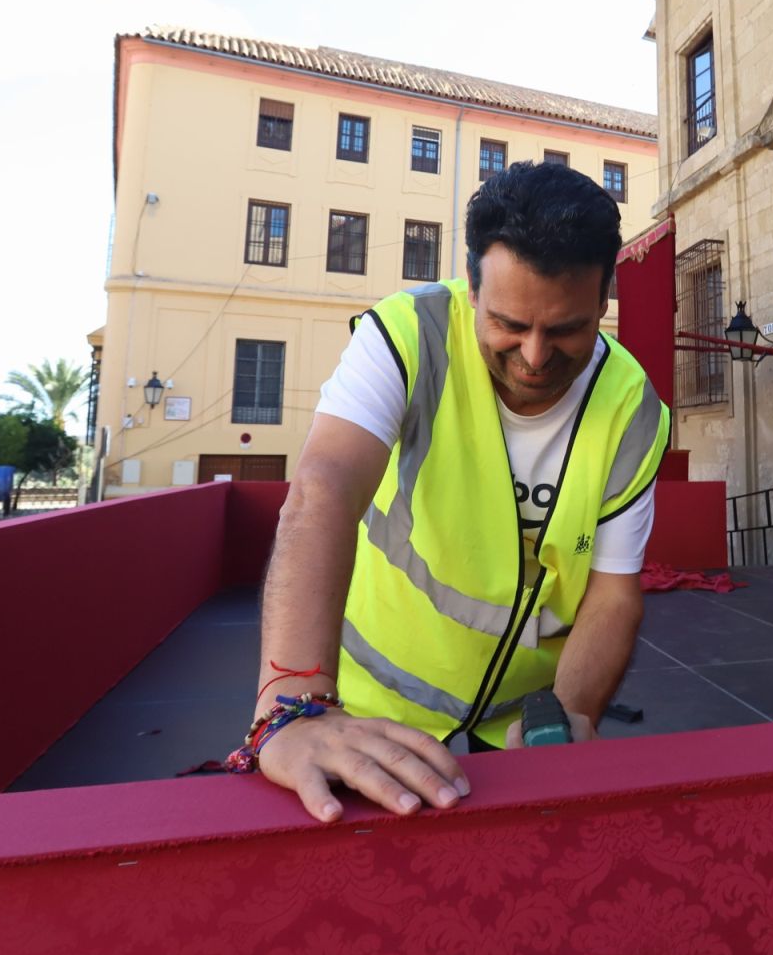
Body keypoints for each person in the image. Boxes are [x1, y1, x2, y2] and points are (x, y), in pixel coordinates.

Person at [247, 161, 668, 821]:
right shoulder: (406, 333)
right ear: (472, 287)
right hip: (371, 705)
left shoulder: (632, 408)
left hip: (526, 714)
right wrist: (292, 707)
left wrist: (572, 712)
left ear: (603, 300)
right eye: (509, 323)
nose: (534, 356)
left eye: (565, 329)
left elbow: (613, 594)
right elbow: (322, 490)